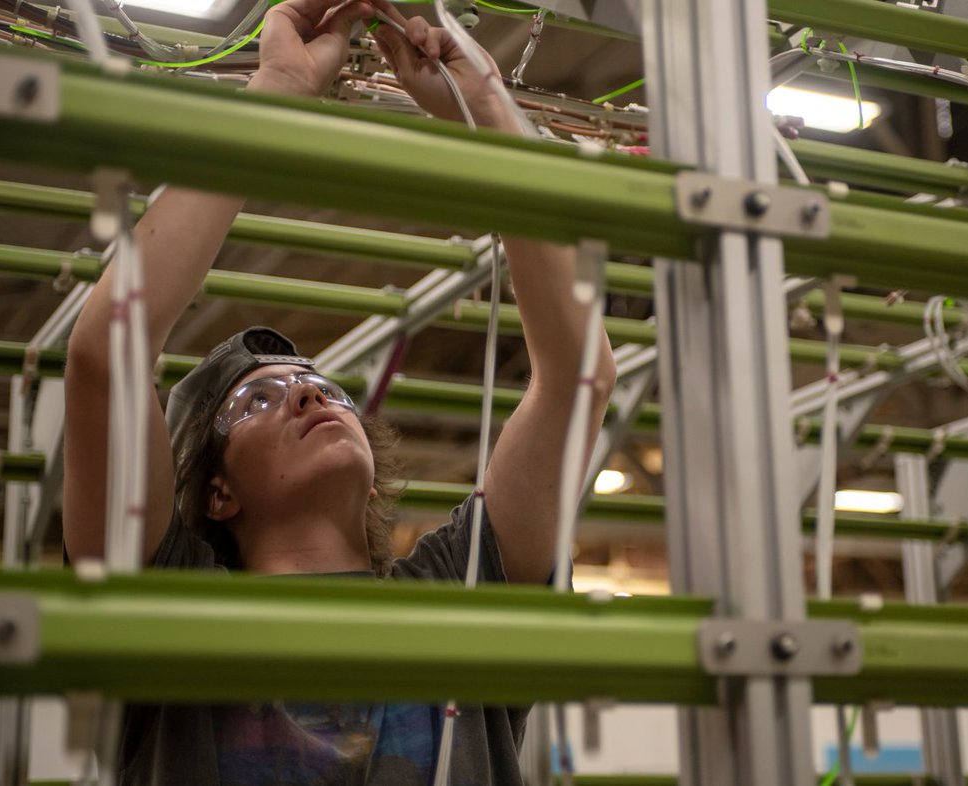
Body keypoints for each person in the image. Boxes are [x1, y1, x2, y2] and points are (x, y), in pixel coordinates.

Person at [62, 0, 616, 783]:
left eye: (323, 386)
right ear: (216, 493)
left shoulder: (460, 591)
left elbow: (578, 376)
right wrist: (279, 87)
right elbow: (105, 350)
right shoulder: (168, 606)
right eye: (258, 399)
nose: (309, 396)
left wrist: (487, 104)